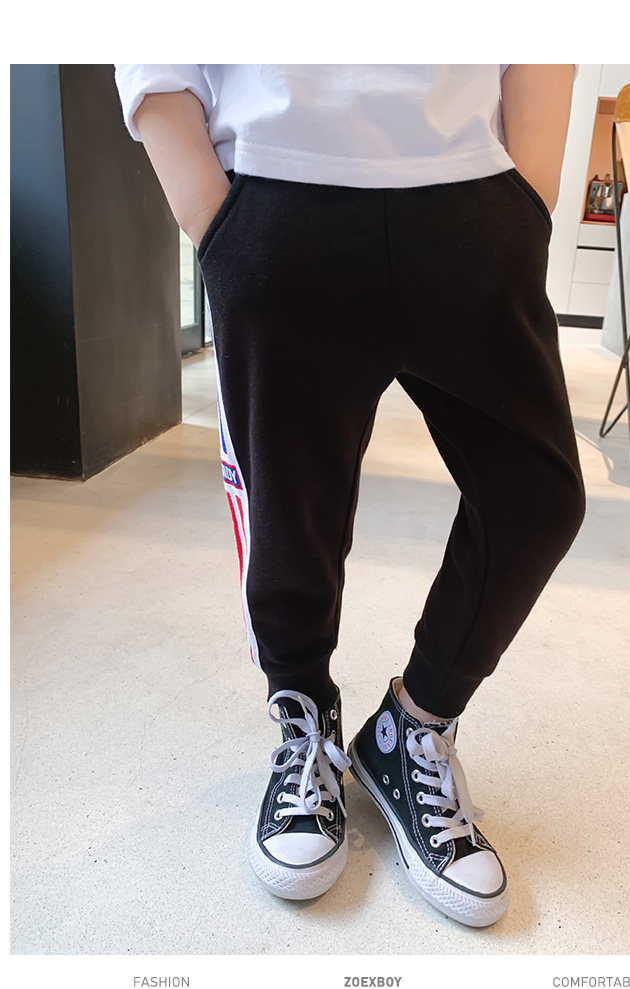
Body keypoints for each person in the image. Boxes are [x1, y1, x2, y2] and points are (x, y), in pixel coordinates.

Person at [115, 64, 585, 928]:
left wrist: (530, 198)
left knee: (538, 494)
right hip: (277, 191)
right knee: (292, 508)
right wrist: (218, 224)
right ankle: (305, 724)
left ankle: (411, 729)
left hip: (472, 193)